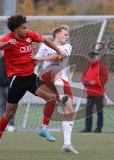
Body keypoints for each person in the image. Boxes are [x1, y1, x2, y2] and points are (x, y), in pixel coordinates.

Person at [0, 14, 66, 153]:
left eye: (26, 28)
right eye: (23, 28)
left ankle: (43, 129)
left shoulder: (29, 36)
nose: (26, 30)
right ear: (15, 29)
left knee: (52, 98)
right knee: (10, 112)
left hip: (31, 77)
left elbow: (45, 40)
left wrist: (58, 50)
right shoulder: (8, 39)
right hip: (17, 80)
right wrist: (7, 44)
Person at [34, 25, 78, 154]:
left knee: (69, 110)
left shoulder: (67, 46)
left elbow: (58, 57)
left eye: (67, 35)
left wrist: (41, 59)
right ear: (57, 34)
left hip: (61, 80)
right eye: (65, 34)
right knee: (55, 70)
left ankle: (67, 144)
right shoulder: (44, 47)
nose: (67, 37)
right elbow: (34, 62)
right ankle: (61, 96)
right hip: (46, 76)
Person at [81, 51, 108, 133]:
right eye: (90, 57)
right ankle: (87, 128)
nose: (92, 59)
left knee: (99, 111)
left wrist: (95, 82)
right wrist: (85, 81)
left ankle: (99, 128)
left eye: (93, 57)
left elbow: (105, 78)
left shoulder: (102, 66)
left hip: (99, 93)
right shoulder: (88, 67)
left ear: (97, 57)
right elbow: (83, 77)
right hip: (89, 93)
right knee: (88, 111)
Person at [0, 56, 15, 132]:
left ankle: (11, 124)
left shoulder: (12, 58)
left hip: (9, 86)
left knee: (11, 106)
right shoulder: (0, 59)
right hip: (0, 86)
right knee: (1, 106)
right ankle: (3, 125)